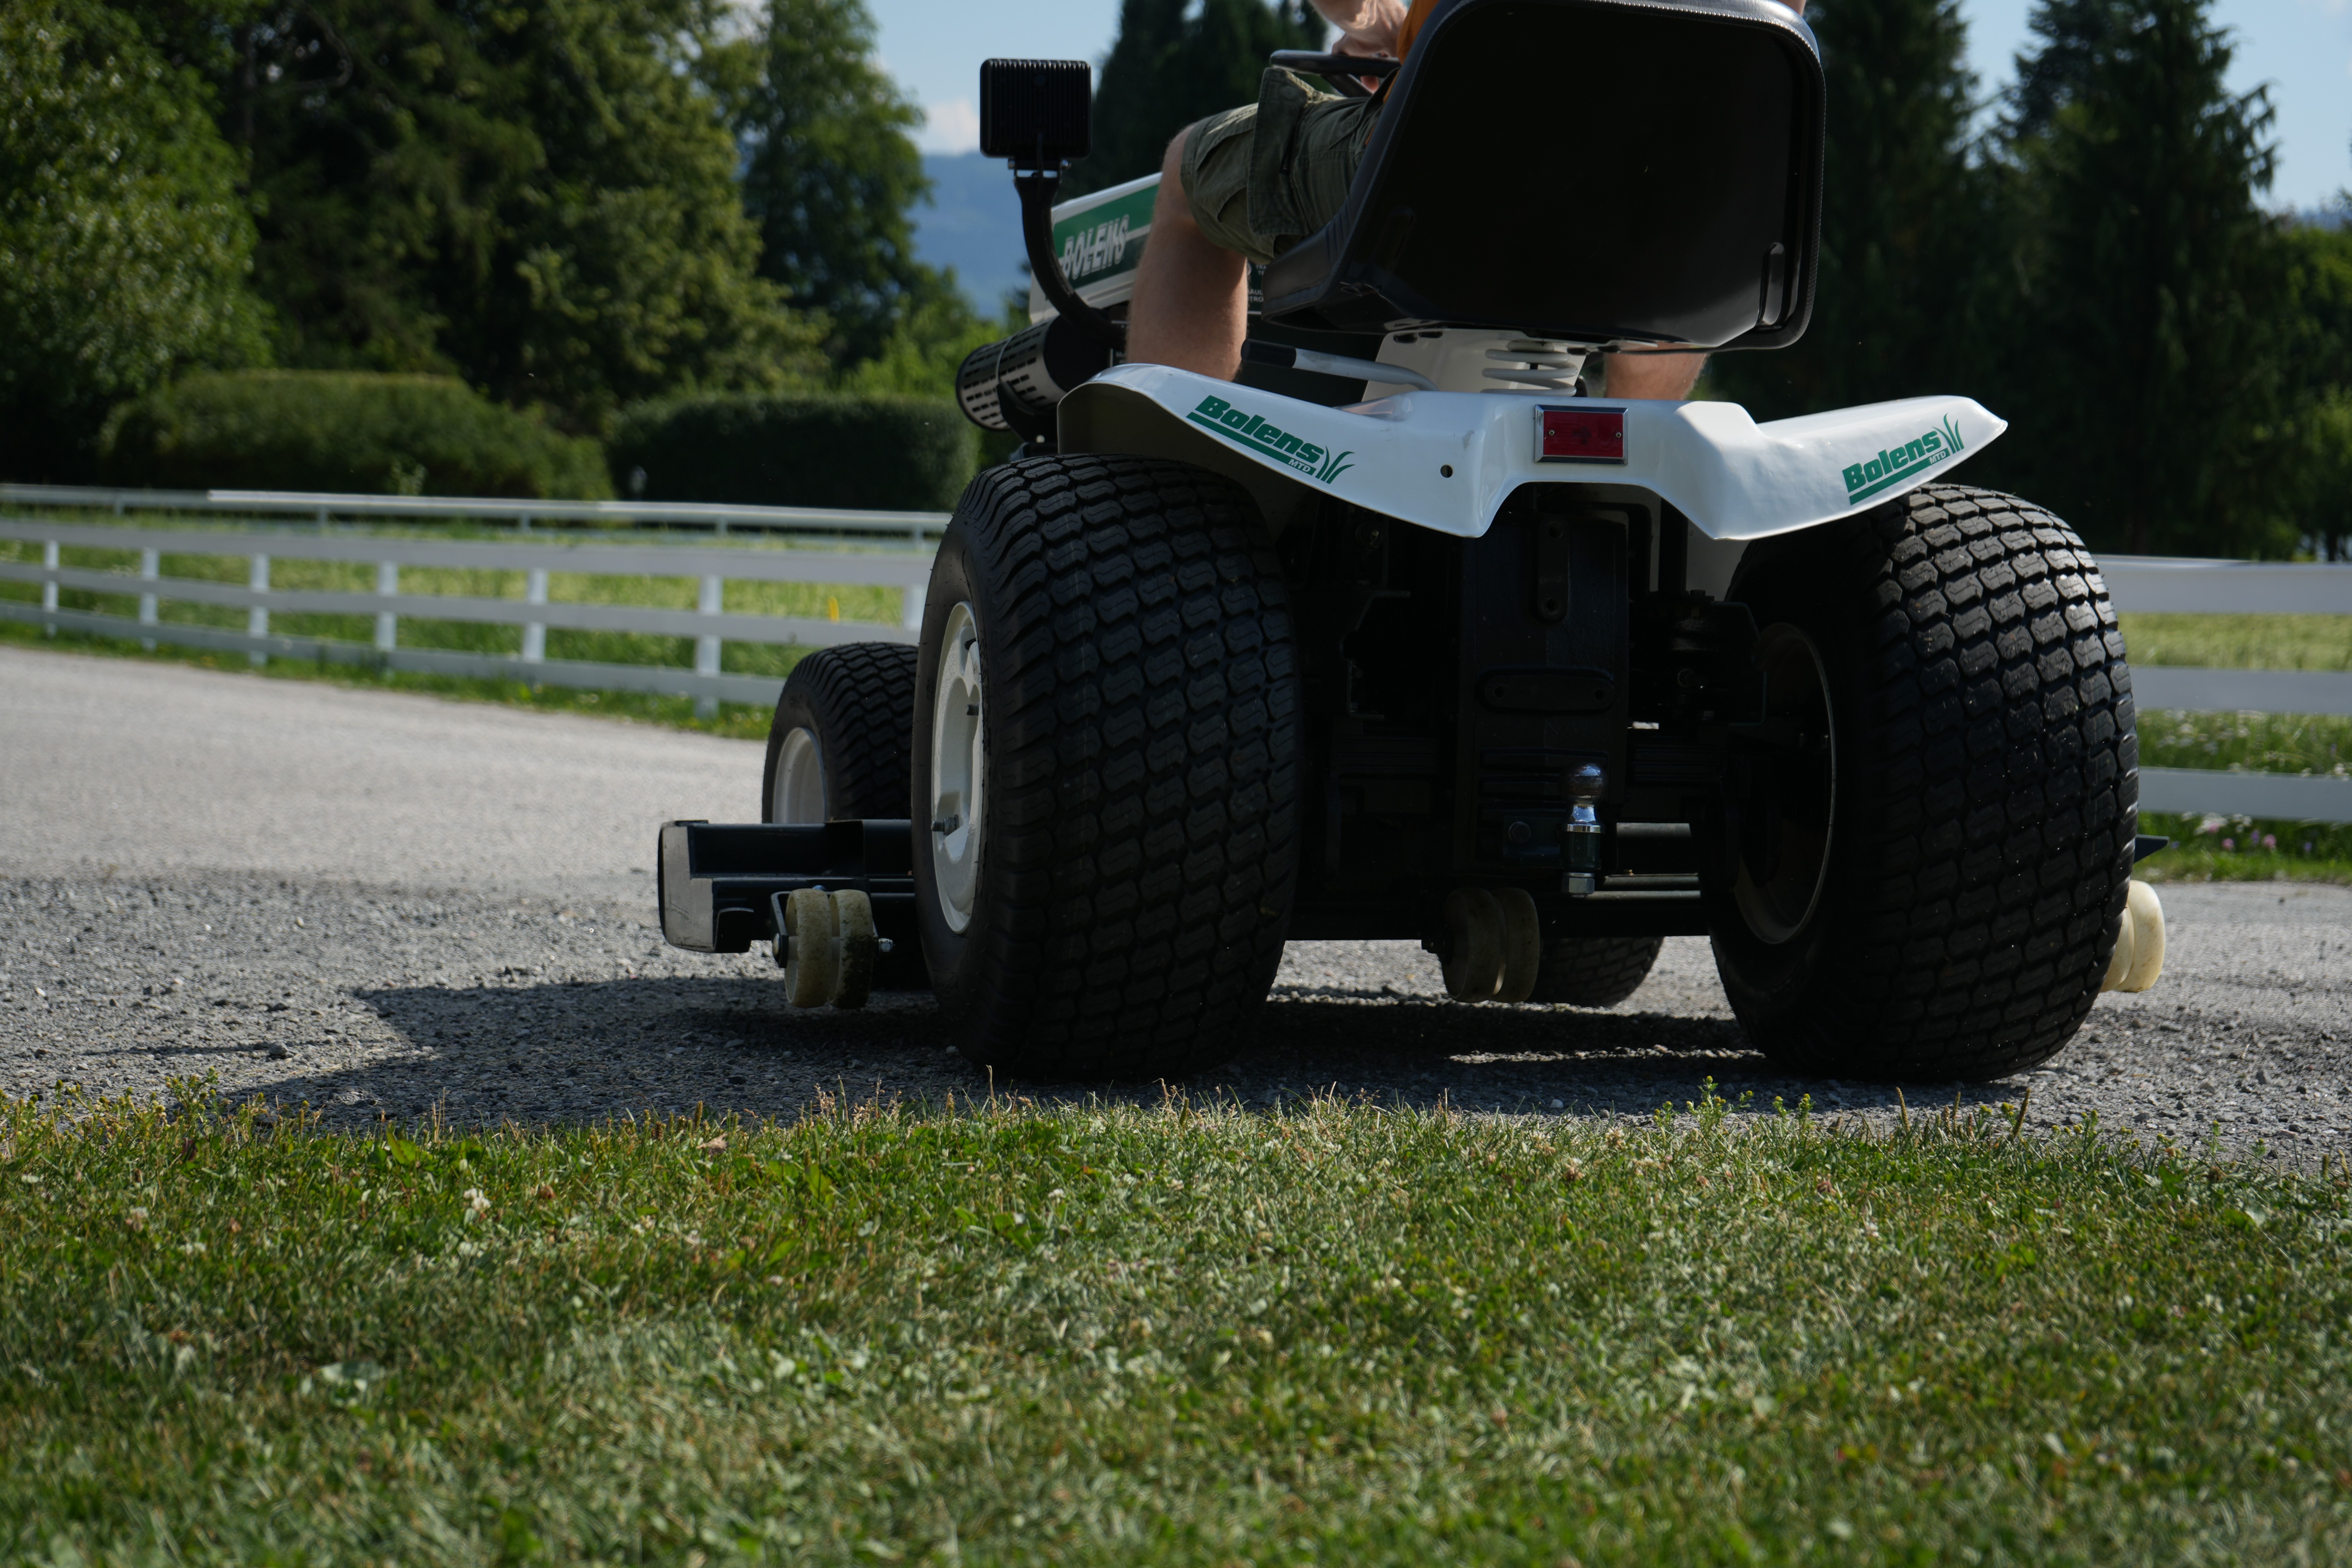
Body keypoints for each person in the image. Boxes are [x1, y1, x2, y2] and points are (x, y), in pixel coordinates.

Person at [1127, 0, 1803, 397]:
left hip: (1455, 177)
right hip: (1667, 213)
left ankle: (1168, 505)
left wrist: (1385, 32)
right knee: (1680, 193)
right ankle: (1634, 451)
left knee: (1192, 170)